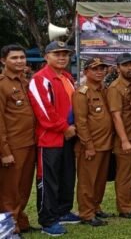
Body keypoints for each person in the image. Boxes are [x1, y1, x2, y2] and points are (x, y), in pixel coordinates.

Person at [28, 41, 79, 235]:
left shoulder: (67, 77)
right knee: (49, 179)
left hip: (69, 137)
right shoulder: (40, 78)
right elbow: (43, 109)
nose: (62, 57)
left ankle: (63, 211)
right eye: (57, 54)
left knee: (67, 176)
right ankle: (48, 220)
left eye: (65, 54)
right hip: (49, 138)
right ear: (46, 56)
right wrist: (64, 128)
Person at [73, 58, 114, 226]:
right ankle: (86, 213)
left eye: (102, 68)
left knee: (100, 180)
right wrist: (88, 145)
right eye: (95, 69)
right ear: (86, 72)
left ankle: (96, 207)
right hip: (91, 146)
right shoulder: (82, 93)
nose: (99, 72)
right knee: (87, 181)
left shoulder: (104, 90)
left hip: (106, 143)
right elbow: (81, 122)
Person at [0, 45, 35, 235]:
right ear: (3, 61)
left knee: (23, 187)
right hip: (12, 146)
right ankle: (8, 228)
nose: (20, 61)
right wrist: (4, 152)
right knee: (9, 190)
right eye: (14, 58)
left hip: (29, 143)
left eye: (22, 57)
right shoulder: (2, 84)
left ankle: (20, 220)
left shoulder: (24, 81)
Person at [107, 53, 131, 219]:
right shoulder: (115, 88)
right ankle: (125, 208)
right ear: (118, 68)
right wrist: (124, 140)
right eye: (125, 65)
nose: (130, 68)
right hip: (125, 137)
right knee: (124, 174)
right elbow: (116, 116)